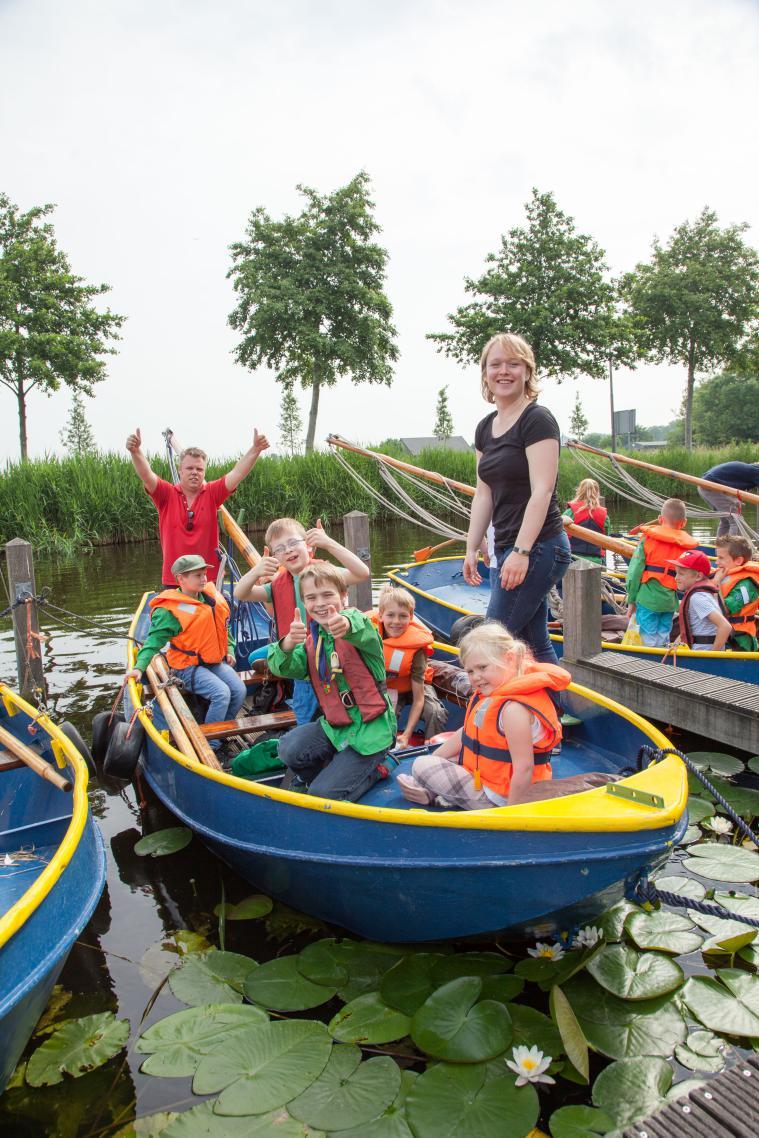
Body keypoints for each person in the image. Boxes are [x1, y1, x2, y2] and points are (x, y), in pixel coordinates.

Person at [397, 622, 612, 810]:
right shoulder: (495, 694)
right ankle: (438, 791)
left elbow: (524, 768)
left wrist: (509, 814)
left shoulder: (513, 710)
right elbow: (468, 733)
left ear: (509, 659)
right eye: (470, 671)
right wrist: (436, 759)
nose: (476, 677)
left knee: (420, 766)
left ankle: (441, 797)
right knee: (439, 759)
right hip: (493, 778)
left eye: (482, 667)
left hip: (501, 797)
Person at [464, 333, 571, 666]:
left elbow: (543, 490)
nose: (504, 371)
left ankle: (489, 714)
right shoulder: (485, 428)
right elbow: (484, 493)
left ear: (527, 371)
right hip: (505, 547)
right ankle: (550, 711)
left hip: (539, 546)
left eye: (513, 364)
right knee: (533, 642)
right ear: (485, 373)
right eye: (495, 364)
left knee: (492, 642)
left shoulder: (536, 419)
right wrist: (471, 545)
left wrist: (522, 552)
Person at [266, 561, 396, 802]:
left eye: (328, 594)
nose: (320, 603)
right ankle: (330, 773)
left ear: (344, 596)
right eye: (311, 597)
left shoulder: (360, 625)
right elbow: (284, 667)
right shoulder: (311, 643)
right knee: (288, 749)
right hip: (336, 726)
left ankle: (379, 767)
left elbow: (357, 625)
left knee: (322, 795)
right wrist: (286, 644)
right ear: (304, 604)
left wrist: (344, 624)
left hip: (372, 732)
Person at [234, 517, 370, 725]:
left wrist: (328, 542)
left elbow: (362, 572)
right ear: (276, 556)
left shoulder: (327, 574)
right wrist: (257, 571)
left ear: (308, 546)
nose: (287, 550)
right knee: (305, 715)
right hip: (302, 664)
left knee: (343, 710)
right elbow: (241, 593)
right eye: (279, 548)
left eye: (293, 543)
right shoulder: (276, 585)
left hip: (333, 658)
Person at [126, 554, 246, 749]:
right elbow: (153, 641)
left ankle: (221, 729)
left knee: (239, 690)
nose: (204, 579)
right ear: (181, 579)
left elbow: (224, 627)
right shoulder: (170, 611)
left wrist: (229, 649)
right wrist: (139, 668)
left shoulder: (210, 598)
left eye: (204, 574)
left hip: (212, 662)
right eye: (197, 575)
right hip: (186, 667)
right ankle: (212, 744)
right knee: (221, 693)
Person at [126, 427, 270, 586]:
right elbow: (147, 475)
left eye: (199, 469)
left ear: (204, 472)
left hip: (208, 580)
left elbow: (237, 474)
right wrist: (135, 451)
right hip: (175, 580)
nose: (194, 472)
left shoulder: (212, 493)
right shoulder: (165, 494)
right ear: (180, 470)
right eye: (189, 468)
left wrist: (255, 449)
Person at [370, 584, 447, 748]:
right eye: (391, 615)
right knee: (384, 715)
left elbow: (419, 699)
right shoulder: (369, 637)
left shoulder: (417, 647)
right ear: (381, 615)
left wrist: (407, 735)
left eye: (403, 616)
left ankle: (433, 749)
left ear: (411, 617)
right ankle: (384, 748)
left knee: (435, 712)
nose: (396, 622)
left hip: (415, 687)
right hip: (388, 687)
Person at [625, 499, 698, 647]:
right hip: (670, 602)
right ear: (684, 523)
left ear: (660, 519)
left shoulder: (648, 539)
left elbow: (634, 572)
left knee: (647, 638)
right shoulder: (685, 546)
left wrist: (631, 600)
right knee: (663, 636)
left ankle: (651, 664)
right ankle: (664, 663)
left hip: (648, 599)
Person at [668, 550, 732, 651]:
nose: (676, 578)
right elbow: (689, 630)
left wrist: (712, 657)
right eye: (676, 573)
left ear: (698, 576)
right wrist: (674, 646)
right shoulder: (699, 594)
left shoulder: (698, 597)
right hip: (697, 649)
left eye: (681, 574)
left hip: (703, 652)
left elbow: (725, 626)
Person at [714, 535, 759, 652]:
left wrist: (716, 584)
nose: (717, 562)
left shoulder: (747, 586)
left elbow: (724, 610)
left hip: (739, 640)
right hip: (724, 633)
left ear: (738, 560)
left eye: (721, 558)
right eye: (716, 557)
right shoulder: (726, 575)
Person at [698, 461, 759, 537]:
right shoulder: (756, 471)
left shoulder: (750, 470)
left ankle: (721, 546)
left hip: (705, 486)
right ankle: (731, 547)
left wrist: (736, 500)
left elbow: (734, 485)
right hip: (711, 486)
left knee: (726, 520)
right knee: (736, 520)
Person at [563, 479, 612, 562]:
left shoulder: (569, 513)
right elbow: (606, 542)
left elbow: (561, 535)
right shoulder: (605, 516)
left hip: (572, 558)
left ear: (579, 491)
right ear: (597, 493)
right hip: (597, 561)